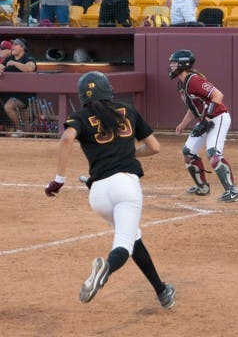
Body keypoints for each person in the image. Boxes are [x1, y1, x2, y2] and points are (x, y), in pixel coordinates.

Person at [44, 71, 175, 309]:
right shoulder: (127, 110)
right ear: (109, 90)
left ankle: (161, 290)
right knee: (123, 245)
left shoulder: (81, 115)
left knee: (133, 237)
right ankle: (104, 271)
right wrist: (125, 152)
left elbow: (66, 139)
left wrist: (58, 179)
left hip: (98, 194)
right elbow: (154, 147)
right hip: (125, 186)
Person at [168, 49, 238, 201]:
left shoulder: (194, 80)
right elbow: (193, 106)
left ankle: (232, 191)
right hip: (205, 120)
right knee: (188, 153)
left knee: (213, 154)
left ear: (184, 64)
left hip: (218, 117)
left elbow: (218, 96)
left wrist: (207, 119)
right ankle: (203, 187)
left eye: (174, 63)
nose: (172, 66)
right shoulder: (183, 82)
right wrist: (183, 123)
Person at [0, 38, 36, 137]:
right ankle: (21, 131)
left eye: (15, 44)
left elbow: (30, 68)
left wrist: (15, 63)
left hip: (25, 94)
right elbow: (1, 65)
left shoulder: (28, 57)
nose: (13, 47)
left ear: (22, 47)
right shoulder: (9, 58)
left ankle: (19, 129)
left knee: (8, 106)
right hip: (10, 92)